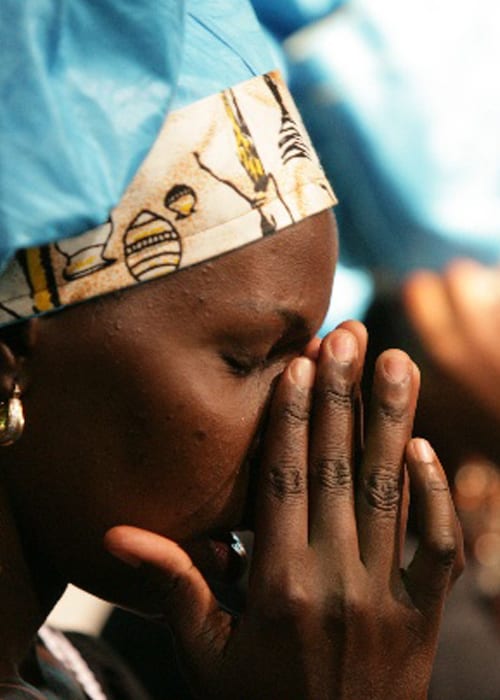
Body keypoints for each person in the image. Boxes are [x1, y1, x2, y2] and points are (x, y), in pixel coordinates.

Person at [0, 1, 463, 698]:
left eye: (307, 358)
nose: (296, 422)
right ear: (9, 362)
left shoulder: (96, 680)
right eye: (248, 358)